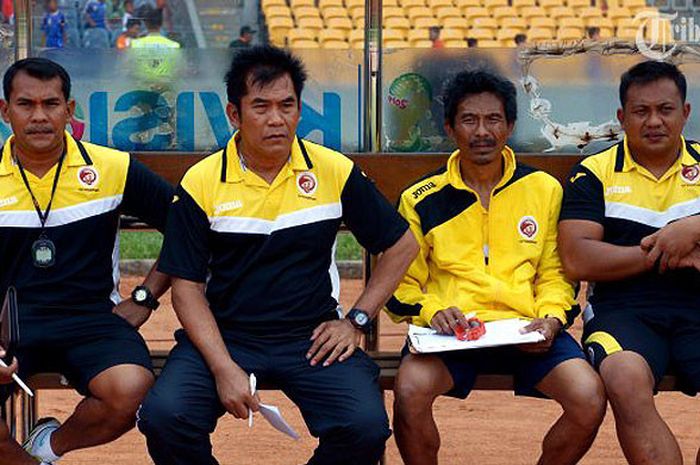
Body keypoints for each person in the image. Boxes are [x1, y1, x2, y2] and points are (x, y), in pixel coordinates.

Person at [137, 45, 418, 465]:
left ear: (300, 109)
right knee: (165, 417)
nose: (276, 119)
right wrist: (222, 367)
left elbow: (402, 245)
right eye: (261, 107)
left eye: (287, 106)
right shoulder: (202, 180)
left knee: (364, 427)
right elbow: (187, 290)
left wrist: (356, 320)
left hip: (310, 335)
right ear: (235, 114)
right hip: (224, 334)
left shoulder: (332, 170)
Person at [388, 69, 607, 465]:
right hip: (451, 336)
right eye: (469, 120)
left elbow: (556, 273)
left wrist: (552, 319)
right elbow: (404, 282)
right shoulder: (421, 198)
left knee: (588, 396)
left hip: (527, 331)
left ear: (510, 125)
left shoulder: (543, 189)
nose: (482, 131)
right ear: (450, 127)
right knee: (409, 390)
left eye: (493, 120)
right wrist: (433, 312)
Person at [0, 57, 173, 464]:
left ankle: (48, 446)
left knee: (131, 389)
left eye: (51, 104)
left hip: (91, 320)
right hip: (7, 323)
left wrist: (145, 297)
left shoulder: (113, 168)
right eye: (26, 104)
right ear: (5, 111)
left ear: (70, 110)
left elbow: (188, 230)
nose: (39, 116)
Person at [559, 60, 700, 465]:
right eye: (641, 112)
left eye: (665, 110)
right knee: (623, 377)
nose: (653, 121)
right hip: (622, 312)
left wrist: (692, 226)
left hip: (697, 307)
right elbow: (577, 257)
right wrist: (667, 248)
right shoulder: (594, 172)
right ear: (622, 117)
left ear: (685, 113)